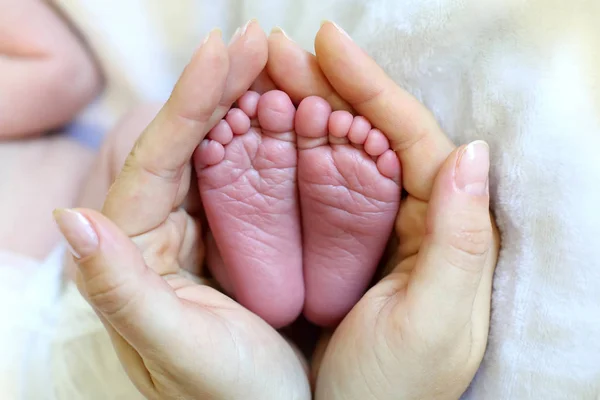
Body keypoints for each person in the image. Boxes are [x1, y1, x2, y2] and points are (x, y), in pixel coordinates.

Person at [54, 21, 499, 399]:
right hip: (81, 307)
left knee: (142, 214)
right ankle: (241, 269)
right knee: (138, 129)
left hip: (110, 346)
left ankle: (236, 279)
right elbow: (63, 70)